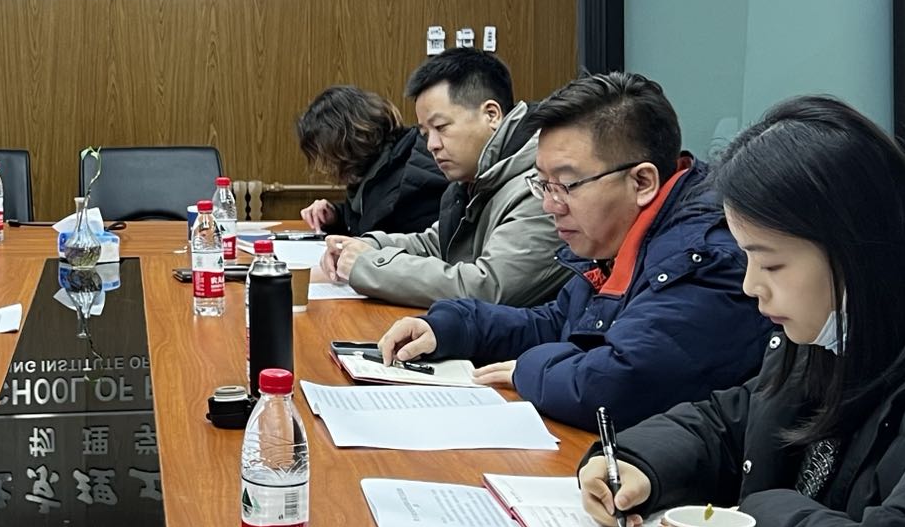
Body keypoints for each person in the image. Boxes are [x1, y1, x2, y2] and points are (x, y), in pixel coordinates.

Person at [578, 97, 905, 527]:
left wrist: (753, 515)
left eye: (772, 263)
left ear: (859, 250)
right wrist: (640, 463)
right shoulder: (842, 330)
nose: (751, 286)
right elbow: (734, 419)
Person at [379, 71, 768, 429]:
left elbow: (616, 386)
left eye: (566, 185)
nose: (550, 205)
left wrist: (527, 370)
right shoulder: (619, 238)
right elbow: (559, 323)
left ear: (642, 182)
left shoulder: (706, 260)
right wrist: (456, 326)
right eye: (543, 184)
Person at [318, 49, 568, 308]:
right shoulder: (472, 180)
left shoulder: (540, 187)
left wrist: (370, 265)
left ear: (491, 115)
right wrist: (369, 245)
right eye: (425, 133)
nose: (431, 145)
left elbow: (488, 288)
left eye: (441, 127)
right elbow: (436, 245)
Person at [296, 85, 445, 238]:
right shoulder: (383, 165)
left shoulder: (412, 182)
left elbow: (388, 235)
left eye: (326, 156)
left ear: (346, 145)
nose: (323, 167)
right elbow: (366, 218)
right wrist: (335, 216)